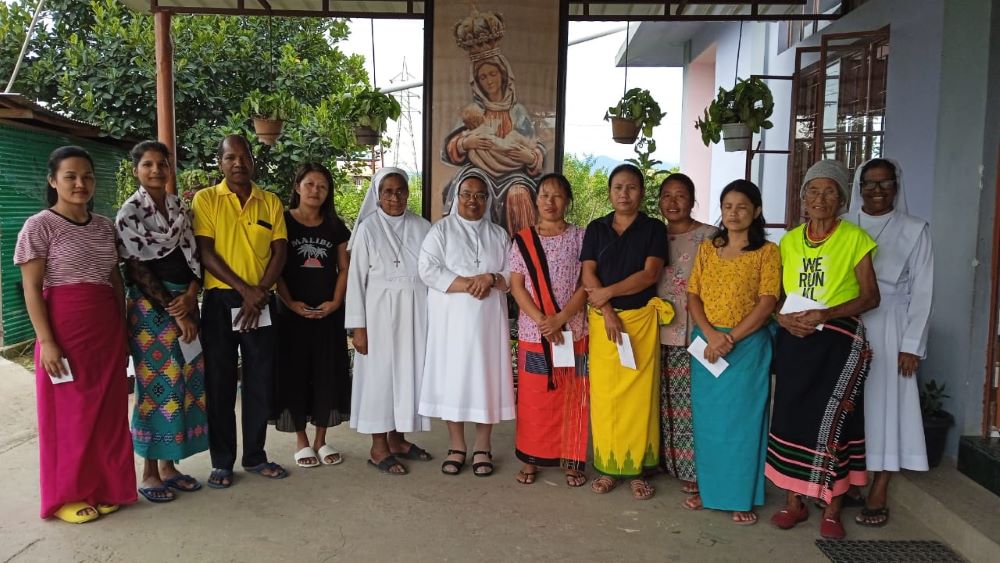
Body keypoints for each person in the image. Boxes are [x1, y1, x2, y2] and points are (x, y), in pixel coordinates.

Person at [14, 146, 136, 523]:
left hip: (105, 328)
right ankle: (69, 494)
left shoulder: (104, 225)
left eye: (87, 176)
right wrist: (46, 341)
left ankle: (105, 487)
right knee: (71, 415)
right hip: (64, 331)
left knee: (109, 412)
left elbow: (115, 280)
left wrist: (124, 329)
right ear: (53, 181)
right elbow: (32, 288)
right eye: (71, 176)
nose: (80, 183)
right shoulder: (39, 226)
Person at [767, 159, 880, 540]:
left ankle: (833, 507)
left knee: (834, 423)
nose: (820, 197)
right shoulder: (789, 240)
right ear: (803, 198)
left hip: (838, 341)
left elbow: (870, 296)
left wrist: (825, 313)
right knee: (790, 416)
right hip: (795, 339)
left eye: (830, 191)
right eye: (813, 190)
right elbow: (780, 294)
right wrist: (783, 319)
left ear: (842, 199)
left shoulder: (855, 238)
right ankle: (794, 503)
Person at [191, 135, 288, 488]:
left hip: (260, 303)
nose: (238, 163)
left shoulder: (270, 202)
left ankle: (256, 456)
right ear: (220, 162)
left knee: (260, 381)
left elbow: (279, 252)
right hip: (220, 303)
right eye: (230, 157)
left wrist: (258, 292)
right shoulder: (206, 200)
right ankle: (222, 462)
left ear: (253, 160)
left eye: (244, 156)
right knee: (219, 383)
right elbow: (206, 253)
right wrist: (245, 290)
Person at [684, 180, 780, 526]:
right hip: (707, 344)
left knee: (743, 424)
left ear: (755, 212)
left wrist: (731, 338)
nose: (734, 213)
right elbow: (693, 294)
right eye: (727, 206)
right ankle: (710, 490)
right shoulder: (710, 248)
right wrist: (711, 334)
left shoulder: (768, 252)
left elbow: (768, 300)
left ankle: (741, 496)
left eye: (742, 207)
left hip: (747, 347)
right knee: (709, 422)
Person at [115, 141, 207, 503]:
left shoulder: (178, 208)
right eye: (148, 164)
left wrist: (190, 298)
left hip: (184, 301)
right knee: (155, 388)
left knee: (183, 383)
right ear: (137, 169)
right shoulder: (129, 214)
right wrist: (175, 308)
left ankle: (170, 466)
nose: (156, 170)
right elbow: (136, 268)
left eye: (162, 164)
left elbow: (194, 258)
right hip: (150, 309)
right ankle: (150, 472)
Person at [847, 158, 933, 528]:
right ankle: (852, 478)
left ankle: (881, 483)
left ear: (896, 187)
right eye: (869, 183)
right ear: (859, 186)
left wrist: (911, 344)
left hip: (893, 325)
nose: (876, 191)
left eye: (885, 184)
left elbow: (924, 290)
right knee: (851, 403)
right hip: (847, 320)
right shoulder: (844, 224)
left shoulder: (915, 230)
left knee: (888, 404)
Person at [581, 163, 671, 500]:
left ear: (641, 193)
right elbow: (588, 273)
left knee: (638, 396)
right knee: (605, 395)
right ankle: (608, 467)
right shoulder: (596, 228)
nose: (624, 193)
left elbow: (650, 274)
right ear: (609, 192)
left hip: (641, 322)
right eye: (618, 187)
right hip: (604, 321)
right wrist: (606, 309)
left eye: (631, 187)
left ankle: (637, 470)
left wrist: (609, 293)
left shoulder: (653, 229)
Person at [418, 171, 515, 477]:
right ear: (456, 198)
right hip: (451, 323)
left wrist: (491, 279)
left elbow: (513, 273)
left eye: (480, 196)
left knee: (485, 379)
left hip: (487, 322)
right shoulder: (441, 231)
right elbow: (427, 270)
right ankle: (457, 446)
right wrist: (468, 284)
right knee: (453, 380)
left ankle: (483, 446)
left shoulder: (499, 234)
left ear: (488, 201)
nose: (473, 201)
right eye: (467, 195)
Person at [346, 167, 434, 475]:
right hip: (378, 314)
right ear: (377, 195)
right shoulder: (367, 229)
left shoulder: (423, 227)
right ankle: (378, 445)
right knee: (380, 378)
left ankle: (398, 440)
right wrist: (359, 328)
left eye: (400, 191)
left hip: (415, 313)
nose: (395, 197)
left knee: (408, 375)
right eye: (388, 192)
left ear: (408, 193)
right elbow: (355, 281)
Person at [508, 174, 589, 487]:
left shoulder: (581, 237)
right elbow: (516, 285)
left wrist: (562, 317)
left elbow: (587, 283)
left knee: (572, 395)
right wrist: (543, 319)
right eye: (544, 195)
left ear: (567, 200)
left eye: (557, 196)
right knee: (534, 397)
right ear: (536, 200)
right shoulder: (523, 240)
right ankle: (530, 459)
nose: (550, 202)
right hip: (534, 334)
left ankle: (571, 461)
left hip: (573, 333)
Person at [273, 163, 351, 468]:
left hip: (328, 313)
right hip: (291, 314)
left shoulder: (335, 226)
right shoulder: (283, 222)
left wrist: (335, 301)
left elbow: (344, 268)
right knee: (295, 374)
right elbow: (275, 268)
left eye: (322, 186)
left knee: (326, 374)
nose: (315, 191)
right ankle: (301, 441)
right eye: (309, 184)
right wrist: (290, 302)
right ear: (297, 187)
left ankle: (321, 440)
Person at [442, 35, 545, 234]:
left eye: (492, 74)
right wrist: (466, 143)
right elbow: (450, 147)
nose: (489, 80)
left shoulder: (517, 111)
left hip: (513, 173)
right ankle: (466, 245)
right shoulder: (473, 110)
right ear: (477, 82)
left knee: (519, 193)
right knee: (469, 190)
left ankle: (522, 254)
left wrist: (531, 157)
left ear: (503, 74)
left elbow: (534, 143)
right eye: (483, 77)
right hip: (478, 171)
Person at [655, 173, 717, 496]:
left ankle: (694, 469)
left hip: (697, 332)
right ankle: (667, 461)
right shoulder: (652, 235)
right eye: (667, 196)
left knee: (692, 403)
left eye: (681, 196)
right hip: (657, 331)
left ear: (693, 201)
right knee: (661, 402)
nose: (673, 202)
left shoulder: (710, 237)